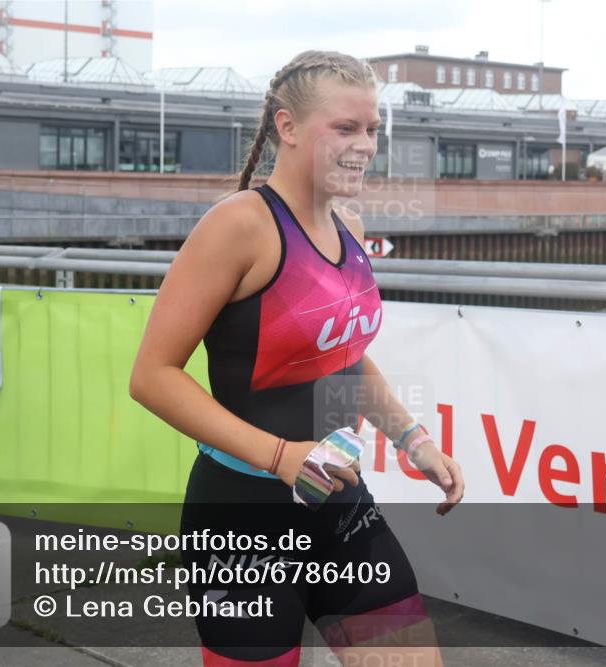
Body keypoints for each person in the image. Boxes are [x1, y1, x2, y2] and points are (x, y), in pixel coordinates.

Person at [129, 49, 464, 667]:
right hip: (241, 515)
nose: (364, 144)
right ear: (286, 127)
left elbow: (348, 360)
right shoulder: (239, 226)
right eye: (345, 128)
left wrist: (415, 441)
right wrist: (282, 457)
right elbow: (152, 377)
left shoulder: (351, 229)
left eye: (372, 129)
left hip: (339, 502)